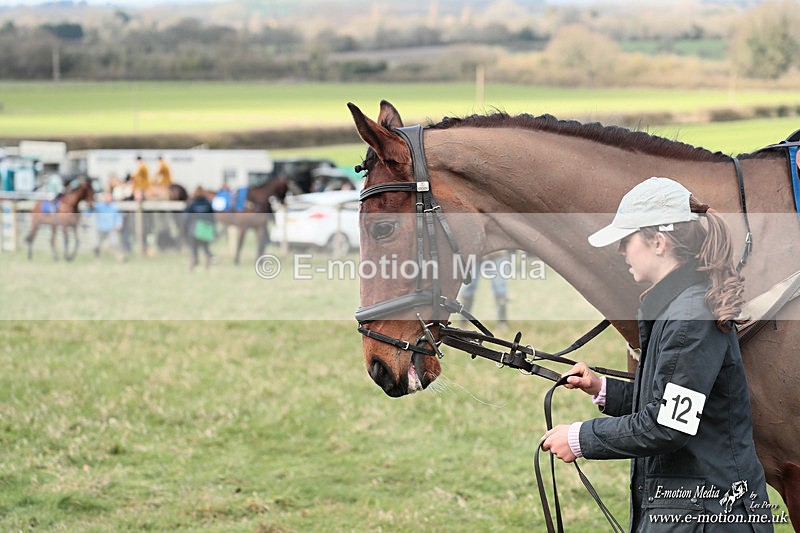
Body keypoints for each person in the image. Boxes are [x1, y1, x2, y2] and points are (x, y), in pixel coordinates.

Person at [540, 177, 772, 531]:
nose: (620, 251)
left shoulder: (690, 317)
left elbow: (668, 425)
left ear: (659, 242)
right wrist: (603, 389)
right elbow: (674, 401)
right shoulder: (677, 308)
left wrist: (580, 438)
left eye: (626, 240)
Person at [458, 250, 511, 326]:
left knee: (500, 289)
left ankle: (502, 323)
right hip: (475, 251)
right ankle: (463, 321)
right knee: (468, 287)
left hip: (497, 251)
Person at [184, 186, 215, 271]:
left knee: (193, 249)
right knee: (205, 248)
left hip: (194, 228)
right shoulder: (208, 203)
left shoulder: (192, 203)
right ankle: (207, 267)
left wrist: (185, 229)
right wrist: (213, 229)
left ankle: (193, 266)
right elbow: (212, 217)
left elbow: (186, 217)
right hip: (205, 228)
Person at [92, 190, 125, 261]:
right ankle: (97, 258)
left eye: (109, 197)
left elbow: (118, 216)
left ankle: (120, 257)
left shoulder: (114, 207)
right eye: (106, 197)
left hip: (111, 228)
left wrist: (119, 224)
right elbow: (89, 211)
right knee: (96, 244)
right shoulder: (99, 206)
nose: (108, 198)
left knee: (115, 243)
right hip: (100, 228)